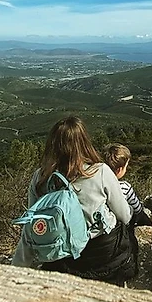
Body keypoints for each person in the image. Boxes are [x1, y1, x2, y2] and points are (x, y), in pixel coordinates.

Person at [12, 116, 136, 284]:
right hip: (101, 255)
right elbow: (125, 216)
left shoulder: (40, 177)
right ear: (84, 142)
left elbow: (34, 222)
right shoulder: (99, 171)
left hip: (60, 256)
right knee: (124, 226)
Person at [104, 144, 152, 227]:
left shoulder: (97, 185)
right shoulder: (125, 187)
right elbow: (138, 211)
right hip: (118, 231)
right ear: (119, 170)